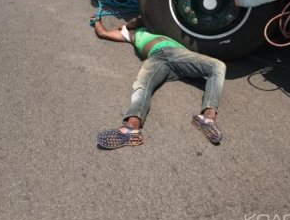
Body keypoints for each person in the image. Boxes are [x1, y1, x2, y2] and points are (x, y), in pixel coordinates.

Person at [92, 15, 227, 149]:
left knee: (218, 66)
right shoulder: (131, 33)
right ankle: (131, 128)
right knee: (142, 85)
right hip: (156, 57)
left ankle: (207, 118)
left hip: (178, 54)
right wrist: (97, 21)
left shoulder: (165, 25)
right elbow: (103, 32)